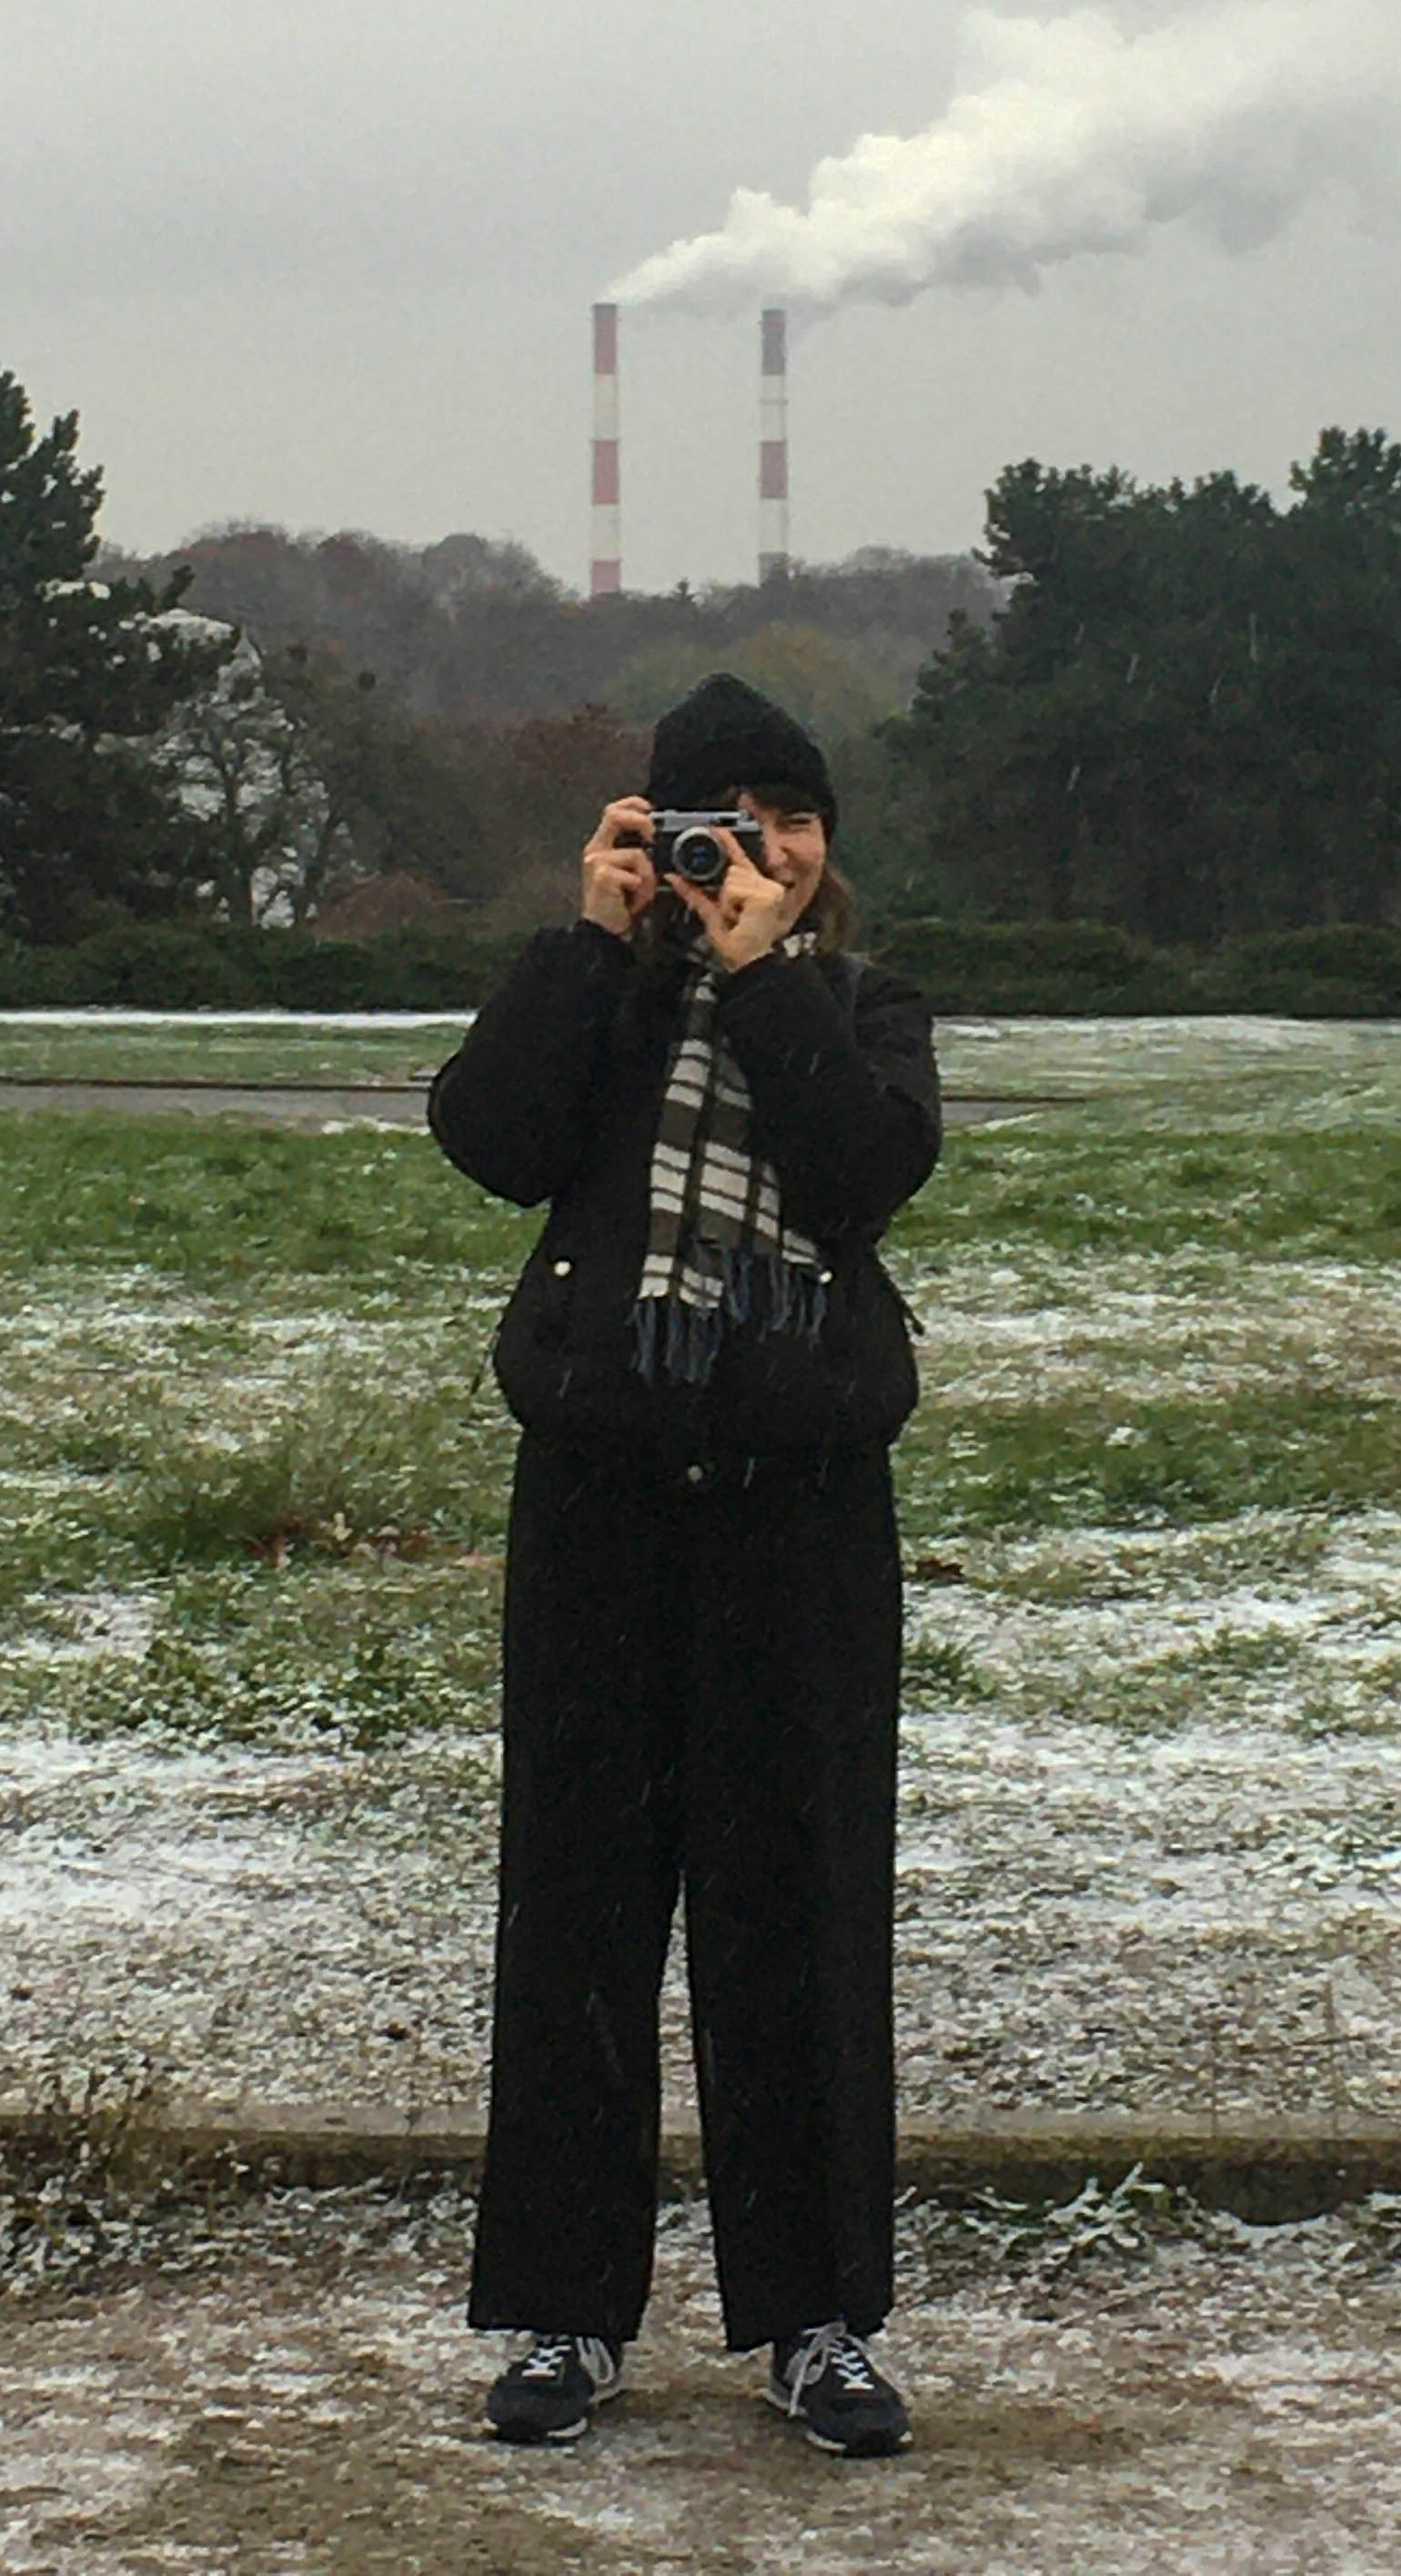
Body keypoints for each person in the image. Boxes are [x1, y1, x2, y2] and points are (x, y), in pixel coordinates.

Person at [427, 671, 942, 2457]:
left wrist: (767, 974)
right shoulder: (609, 1008)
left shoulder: (865, 1009)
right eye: (719, 823)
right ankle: (567, 2314)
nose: (760, 852)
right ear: (652, 843)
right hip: (603, 1499)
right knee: (577, 1911)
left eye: (789, 823)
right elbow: (486, 1138)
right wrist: (587, 945)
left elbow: (864, 1172)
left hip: (798, 1509)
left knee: (793, 1917)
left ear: (824, 849)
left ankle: (815, 2319)